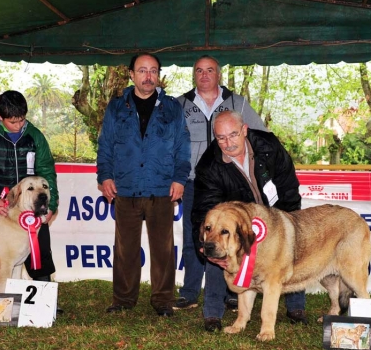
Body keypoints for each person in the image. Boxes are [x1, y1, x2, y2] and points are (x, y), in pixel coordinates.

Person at [192, 110, 307, 332]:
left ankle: (296, 308)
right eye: (221, 138)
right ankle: (213, 314)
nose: (228, 142)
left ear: (244, 130)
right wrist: (209, 247)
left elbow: (288, 185)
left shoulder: (269, 145)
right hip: (238, 221)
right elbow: (203, 212)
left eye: (233, 135)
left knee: (289, 255)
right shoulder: (209, 166)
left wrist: (290, 222)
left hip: (276, 215)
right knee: (217, 252)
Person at [97, 53, 191, 317]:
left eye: (153, 71)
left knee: (163, 249)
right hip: (125, 188)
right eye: (142, 71)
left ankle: (163, 300)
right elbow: (105, 145)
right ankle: (124, 299)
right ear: (131, 74)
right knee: (125, 248)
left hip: (161, 187)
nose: (148, 76)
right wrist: (105, 176)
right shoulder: (116, 107)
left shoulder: (172, 108)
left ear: (158, 74)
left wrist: (179, 178)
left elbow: (183, 147)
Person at [174, 55, 268, 311]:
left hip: (234, 181)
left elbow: (261, 134)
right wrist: (177, 178)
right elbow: (172, 145)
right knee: (196, 237)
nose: (204, 75)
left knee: (236, 238)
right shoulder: (180, 104)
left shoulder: (237, 102)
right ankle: (190, 292)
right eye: (199, 71)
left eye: (210, 70)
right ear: (194, 75)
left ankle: (234, 291)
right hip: (195, 182)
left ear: (219, 75)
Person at [0, 90, 59, 294]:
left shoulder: (35, 136)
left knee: (40, 250)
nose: (18, 126)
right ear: (0, 117)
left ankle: (44, 300)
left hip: (30, 206)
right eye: (13, 122)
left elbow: (47, 172)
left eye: (22, 120)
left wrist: (50, 205)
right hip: (0, 206)